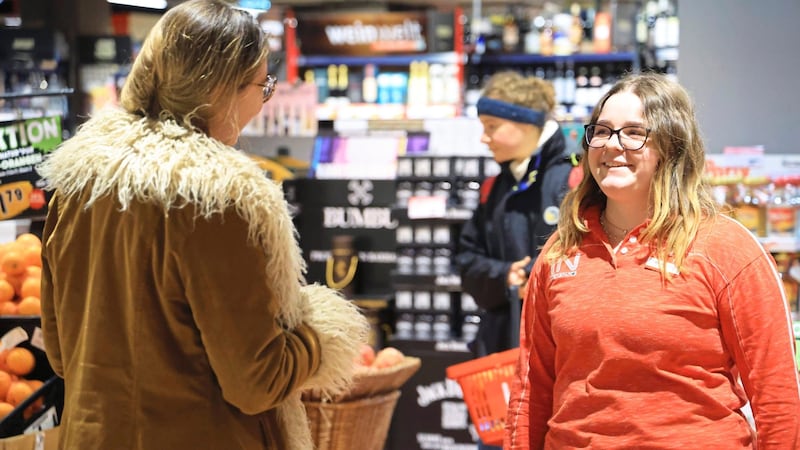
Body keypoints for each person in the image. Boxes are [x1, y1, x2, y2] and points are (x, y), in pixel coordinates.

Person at [37, 1, 369, 449]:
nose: (264, 99)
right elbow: (257, 382)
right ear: (222, 89)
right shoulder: (217, 200)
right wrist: (318, 329)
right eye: (263, 84)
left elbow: (59, 354)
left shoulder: (76, 184)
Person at [504, 72, 800, 449]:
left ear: (672, 146)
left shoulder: (726, 249)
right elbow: (531, 390)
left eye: (633, 132)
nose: (612, 145)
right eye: (601, 131)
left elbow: (777, 396)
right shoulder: (560, 252)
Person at [454, 71, 576, 449]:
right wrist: (506, 276)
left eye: (492, 126)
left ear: (526, 123)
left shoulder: (576, 179)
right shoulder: (494, 187)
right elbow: (467, 258)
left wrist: (543, 283)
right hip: (502, 354)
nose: (483, 137)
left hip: (563, 359)